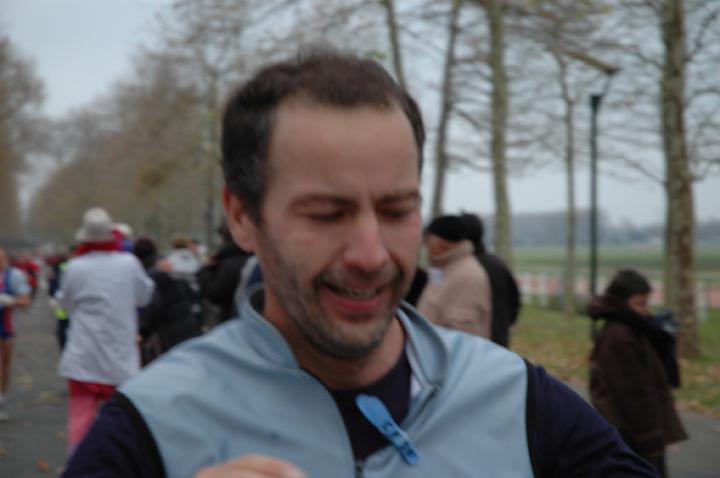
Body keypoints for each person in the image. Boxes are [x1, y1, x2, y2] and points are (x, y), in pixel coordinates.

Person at [62, 49, 658, 477]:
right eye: (327, 214)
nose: (372, 256)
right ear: (242, 217)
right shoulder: (151, 426)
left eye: (397, 211)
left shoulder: (516, 398)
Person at [57, 207, 155, 452]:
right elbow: (145, 296)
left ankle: (77, 465)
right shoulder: (129, 264)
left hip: (83, 357)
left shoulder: (75, 267)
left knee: (80, 421)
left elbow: (64, 305)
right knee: (121, 421)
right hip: (120, 358)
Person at [587, 269, 687, 477]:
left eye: (646, 303)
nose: (646, 310)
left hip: (634, 430)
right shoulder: (619, 337)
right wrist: (649, 436)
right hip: (633, 432)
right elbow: (631, 394)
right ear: (620, 303)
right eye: (639, 304)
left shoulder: (633, 328)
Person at [417, 215, 493, 338]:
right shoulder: (446, 269)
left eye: (428, 240)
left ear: (441, 243)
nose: (425, 246)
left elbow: (463, 335)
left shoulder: (467, 277)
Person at [133, 237, 201, 365]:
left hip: (168, 330)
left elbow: (154, 307)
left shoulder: (151, 275)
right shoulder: (167, 264)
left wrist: (143, 330)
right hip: (186, 321)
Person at [461, 212, 521, 347]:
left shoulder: (458, 268)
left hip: (469, 344)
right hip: (498, 341)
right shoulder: (497, 264)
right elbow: (514, 301)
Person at [196, 224, 251, 325]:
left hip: (233, 319)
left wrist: (207, 270)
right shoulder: (254, 257)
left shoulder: (228, 263)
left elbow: (214, 294)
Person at [0, 246, 31, 422]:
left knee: (3, 364)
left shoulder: (15, 276)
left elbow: (25, 300)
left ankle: (1, 397)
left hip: (6, 327)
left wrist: (10, 300)